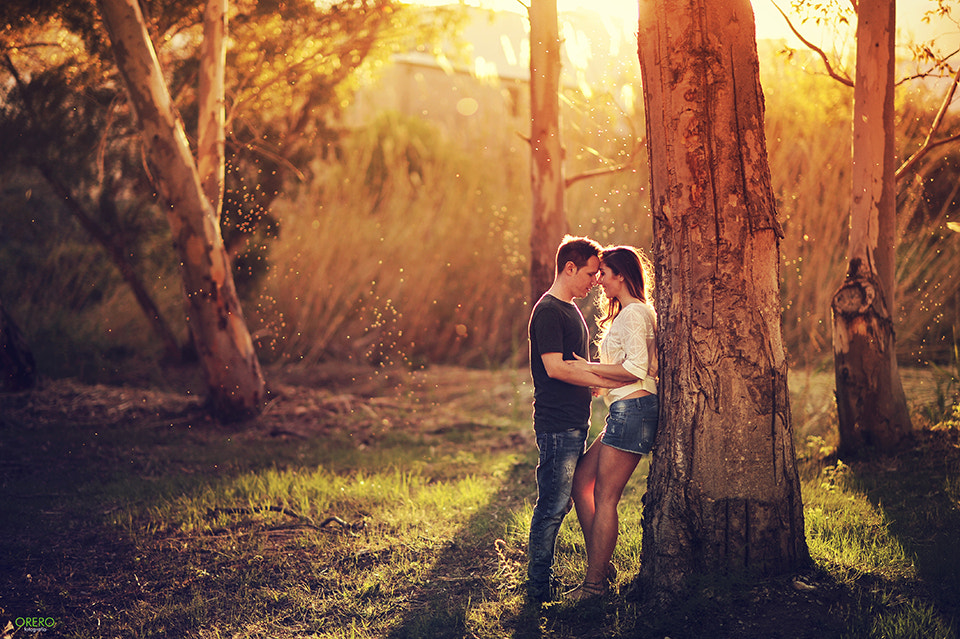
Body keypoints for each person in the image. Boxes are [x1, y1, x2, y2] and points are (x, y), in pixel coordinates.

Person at [526, 235, 623, 603]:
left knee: (562, 498)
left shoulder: (570, 309)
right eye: (589, 273)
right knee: (552, 505)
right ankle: (538, 586)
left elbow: (574, 365)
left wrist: (590, 384)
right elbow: (555, 368)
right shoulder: (550, 310)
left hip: (574, 421)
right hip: (557, 425)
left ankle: (597, 566)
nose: (595, 281)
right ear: (569, 268)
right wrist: (601, 378)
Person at [566, 245, 659, 600]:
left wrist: (587, 368)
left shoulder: (635, 314)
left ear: (621, 275)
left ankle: (594, 586)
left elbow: (635, 371)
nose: (598, 280)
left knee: (605, 497)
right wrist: (595, 378)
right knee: (581, 482)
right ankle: (601, 563)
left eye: (603, 273)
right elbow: (627, 374)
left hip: (633, 412)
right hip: (624, 409)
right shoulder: (631, 313)